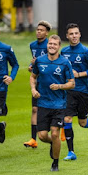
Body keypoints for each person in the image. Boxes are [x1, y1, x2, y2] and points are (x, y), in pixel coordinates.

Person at [30, 35, 75, 171]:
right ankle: (53, 144)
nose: (52, 46)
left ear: (59, 46)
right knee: (42, 136)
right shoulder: (39, 61)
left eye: (55, 44)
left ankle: (55, 163)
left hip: (59, 104)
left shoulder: (65, 63)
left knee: (55, 133)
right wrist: (33, 89)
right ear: (47, 45)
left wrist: (60, 86)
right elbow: (33, 77)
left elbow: (72, 83)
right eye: (50, 44)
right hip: (43, 104)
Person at [60, 23, 88, 161]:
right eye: (71, 34)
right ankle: (71, 152)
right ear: (67, 36)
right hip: (69, 90)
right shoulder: (64, 52)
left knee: (82, 122)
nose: (74, 36)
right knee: (67, 119)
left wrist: (79, 74)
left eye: (76, 33)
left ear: (80, 34)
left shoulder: (86, 52)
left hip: (83, 91)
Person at [24, 20, 52, 149]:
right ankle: (33, 139)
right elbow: (34, 64)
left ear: (46, 33)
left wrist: (37, 65)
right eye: (37, 29)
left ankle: (62, 128)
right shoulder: (32, 45)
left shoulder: (51, 45)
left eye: (41, 30)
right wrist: (32, 67)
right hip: (38, 82)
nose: (38, 32)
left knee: (52, 109)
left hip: (50, 82)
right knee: (35, 109)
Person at [0, 22, 19, 146]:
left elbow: (15, 64)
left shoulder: (5, 48)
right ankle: (1, 126)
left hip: (0, 88)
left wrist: (11, 77)